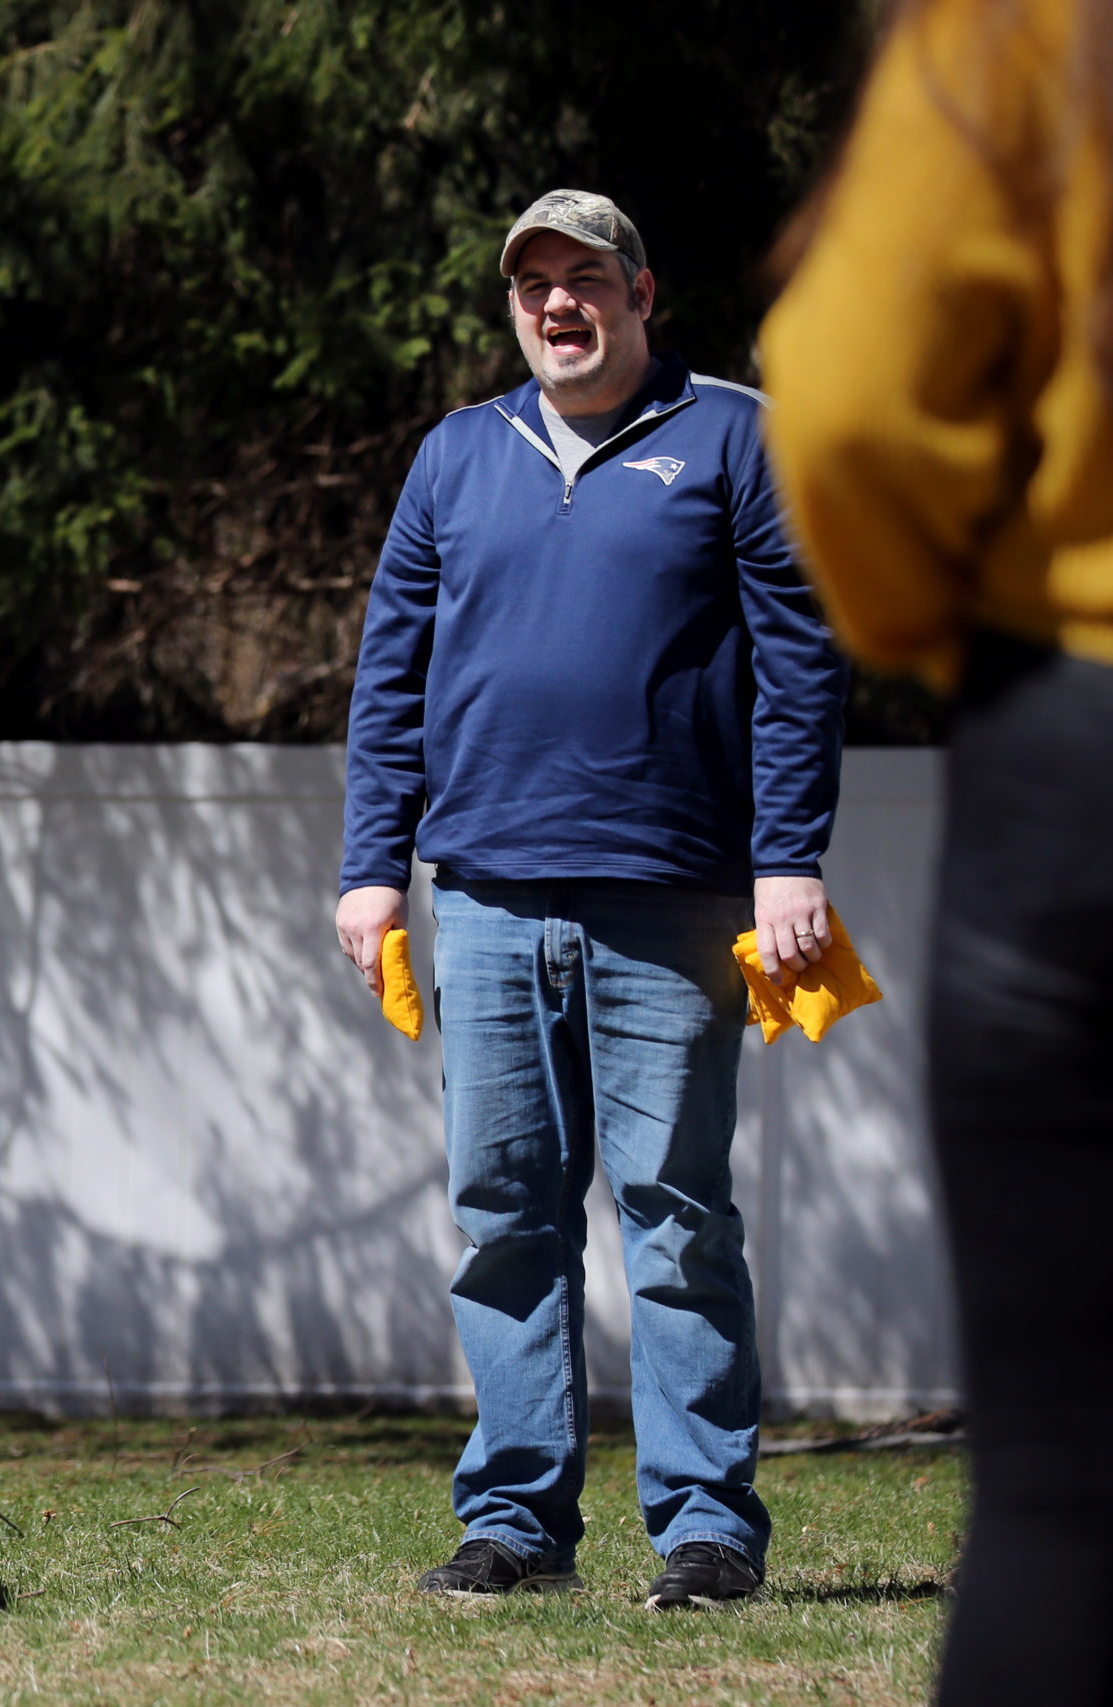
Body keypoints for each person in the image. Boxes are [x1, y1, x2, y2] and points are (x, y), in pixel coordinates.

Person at [335, 189, 850, 1608]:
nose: (557, 304)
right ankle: (515, 1518)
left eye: (586, 279)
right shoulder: (455, 455)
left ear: (640, 291)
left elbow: (802, 663)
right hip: (489, 893)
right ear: (515, 308)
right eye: (533, 286)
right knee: (504, 1214)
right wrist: (372, 866)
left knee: (677, 1212)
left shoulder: (735, 439)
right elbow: (391, 680)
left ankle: (707, 1526)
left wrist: (789, 854)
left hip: (672, 898)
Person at [761, 0, 1113, 1695]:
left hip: (1083, 745)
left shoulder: (1030, 26)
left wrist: (951, 626)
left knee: (1068, 1504)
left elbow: (846, 401)